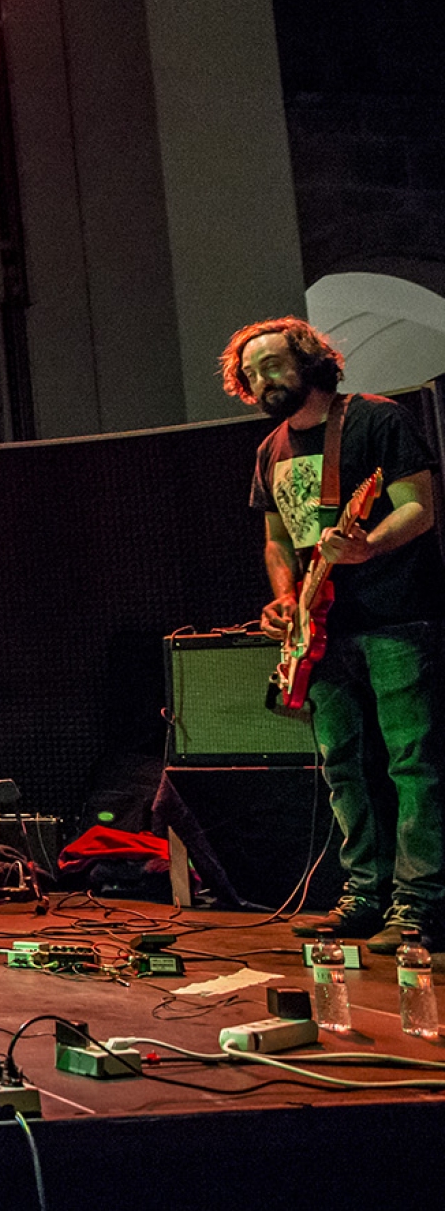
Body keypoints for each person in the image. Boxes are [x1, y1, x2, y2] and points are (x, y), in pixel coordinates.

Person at [222, 316, 445, 950]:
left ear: (310, 361)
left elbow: (419, 507)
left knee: (414, 764)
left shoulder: (375, 419)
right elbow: (277, 540)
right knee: (344, 767)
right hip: (319, 631)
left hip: (395, 617)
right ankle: (365, 894)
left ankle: (421, 905)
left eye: (273, 364)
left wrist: (367, 546)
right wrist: (284, 599)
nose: (262, 379)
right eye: (251, 373)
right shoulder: (270, 451)